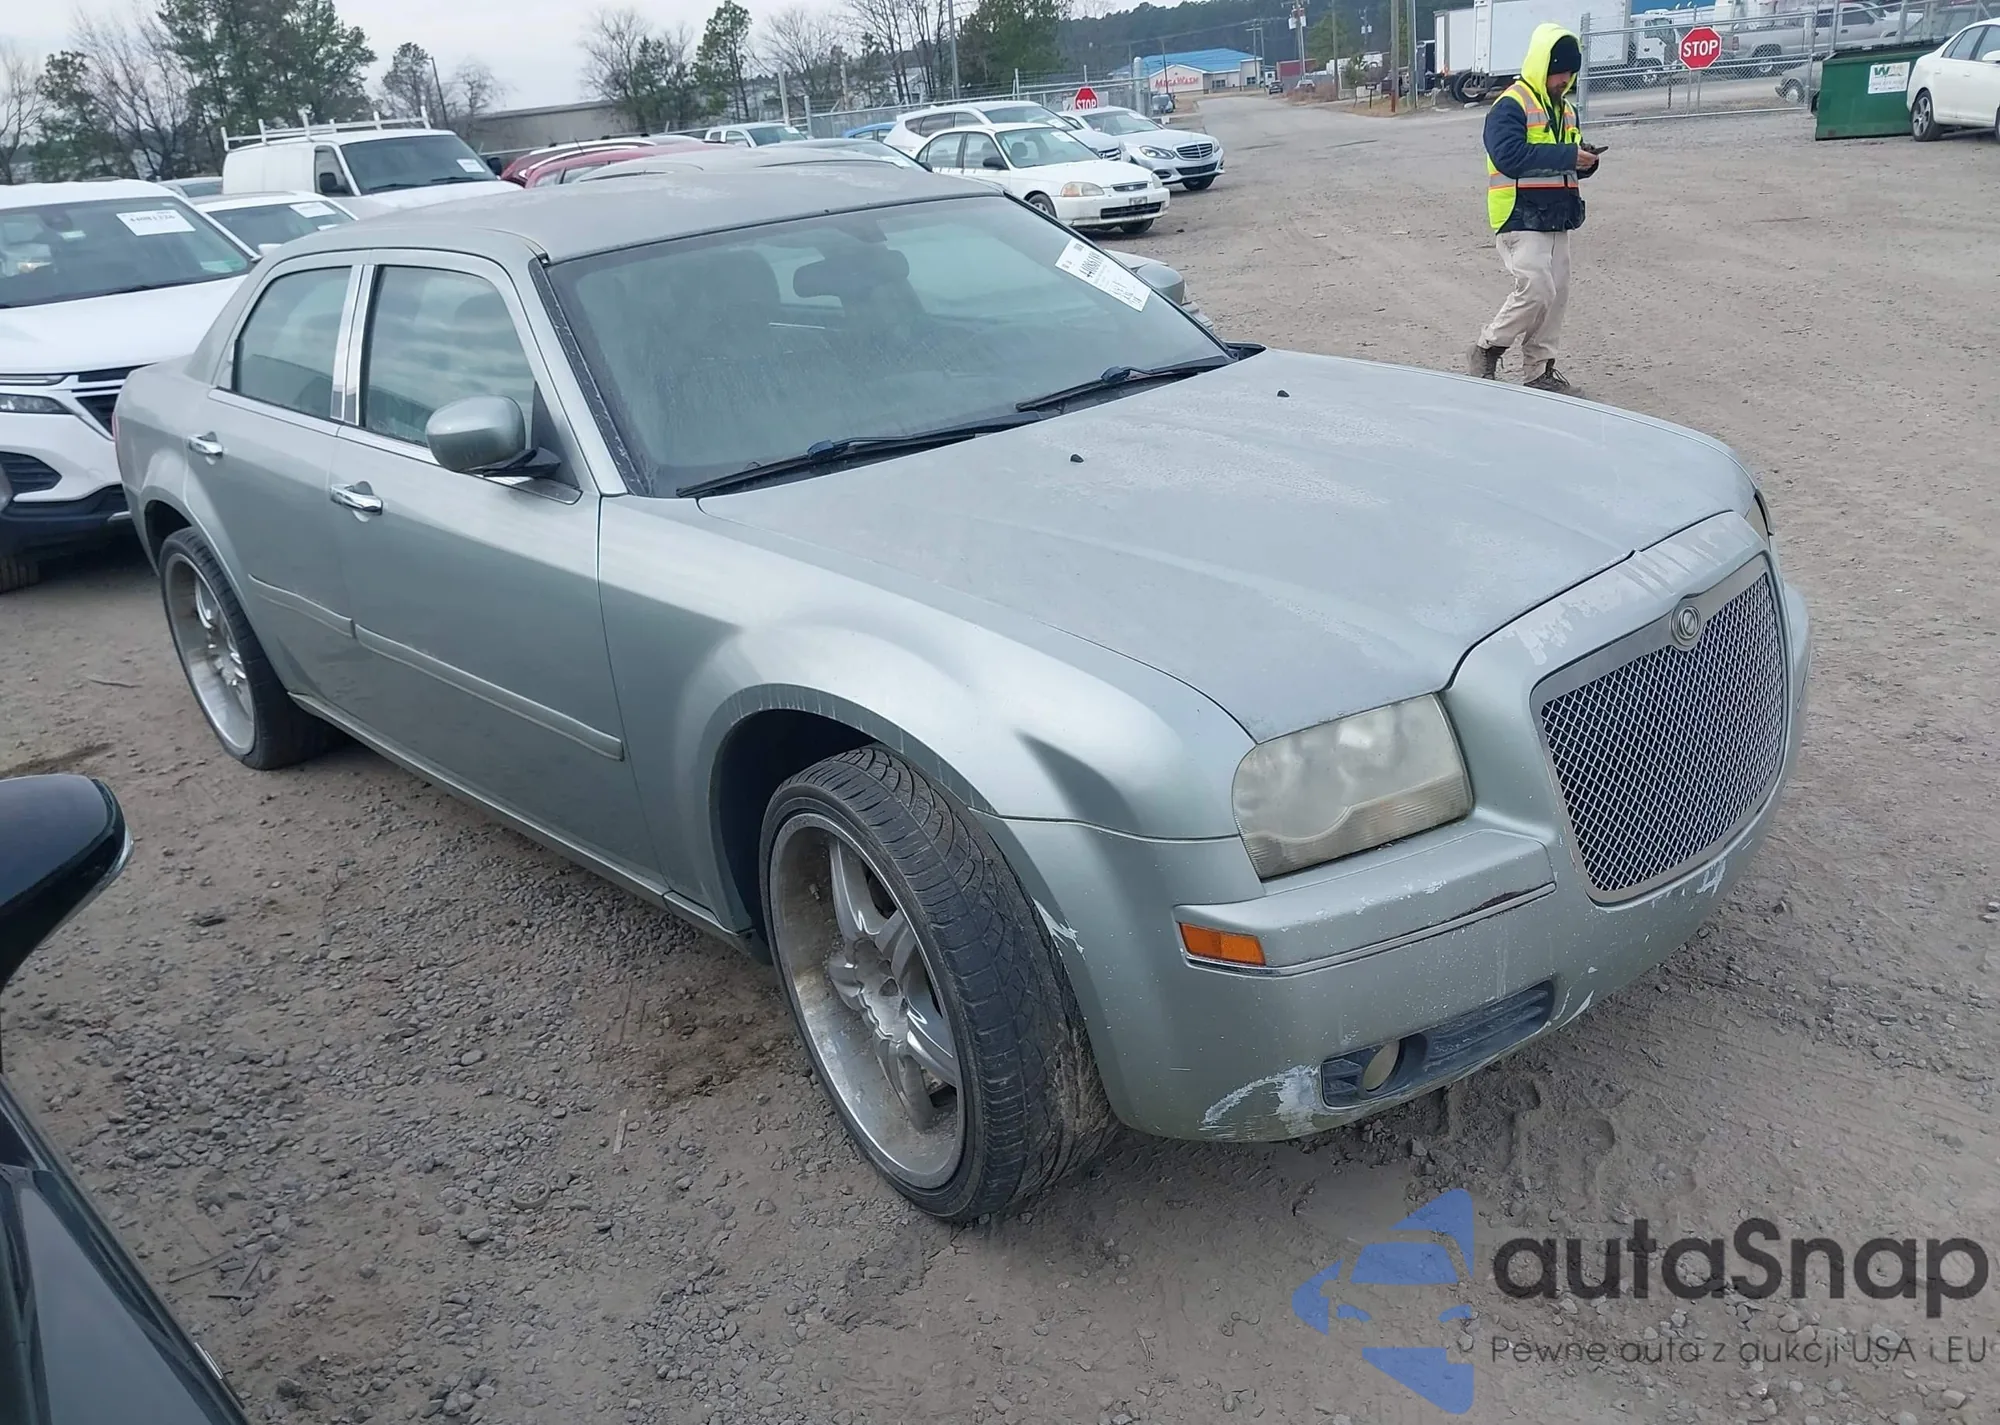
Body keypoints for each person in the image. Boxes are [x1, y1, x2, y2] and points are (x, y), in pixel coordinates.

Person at [1468, 23, 1599, 395]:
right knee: (1536, 289)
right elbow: (1509, 156)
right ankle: (1487, 348)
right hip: (1519, 214)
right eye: (1559, 71)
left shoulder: (1567, 110)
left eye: (1570, 73)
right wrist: (1568, 155)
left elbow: (1566, 156)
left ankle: (1539, 372)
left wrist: (1585, 161)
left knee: (1556, 295)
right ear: (1542, 65)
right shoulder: (1511, 105)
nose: (1565, 79)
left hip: (1557, 215)